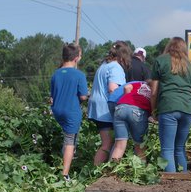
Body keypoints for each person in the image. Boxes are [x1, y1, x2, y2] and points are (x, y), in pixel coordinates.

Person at [150, 37, 191, 172]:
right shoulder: (190, 65)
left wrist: (154, 112)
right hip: (187, 109)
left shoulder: (161, 60)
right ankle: (182, 181)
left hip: (168, 106)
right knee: (180, 148)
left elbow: (153, 92)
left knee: (167, 149)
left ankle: (171, 185)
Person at [87, 41, 131, 165]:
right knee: (108, 144)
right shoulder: (116, 67)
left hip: (97, 108)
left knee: (107, 143)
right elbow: (113, 89)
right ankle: (98, 171)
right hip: (105, 110)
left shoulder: (104, 65)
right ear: (123, 55)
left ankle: (101, 171)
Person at [49, 42, 88, 181]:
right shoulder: (79, 75)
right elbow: (83, 96)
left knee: (67, 139)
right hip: (71, 111)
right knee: (70, 140)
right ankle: (64, 175)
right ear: (76, 58)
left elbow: (52, 97)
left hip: (57, 111)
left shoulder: (56, 74)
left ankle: (64, 162)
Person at [110, 80, 153, 161]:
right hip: (138, 111)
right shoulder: (155, 90)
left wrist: (127, 99)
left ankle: (112, 170)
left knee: (119, 145)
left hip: (120, 108)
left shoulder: (139, 84)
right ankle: (141, 171)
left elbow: (127, 87)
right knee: (140, 146)